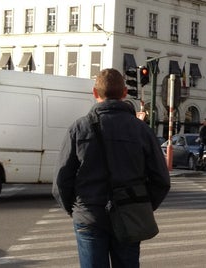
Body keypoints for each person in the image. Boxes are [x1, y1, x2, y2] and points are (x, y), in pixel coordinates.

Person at [52, 68, 171, 268]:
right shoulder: (141, 130)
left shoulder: (79, 128)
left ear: (95, 93)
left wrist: (76, 209)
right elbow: (161, 179)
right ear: (124, 93)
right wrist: (141, 204)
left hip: (89, 215)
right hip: (129, 213)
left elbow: (61, 181)